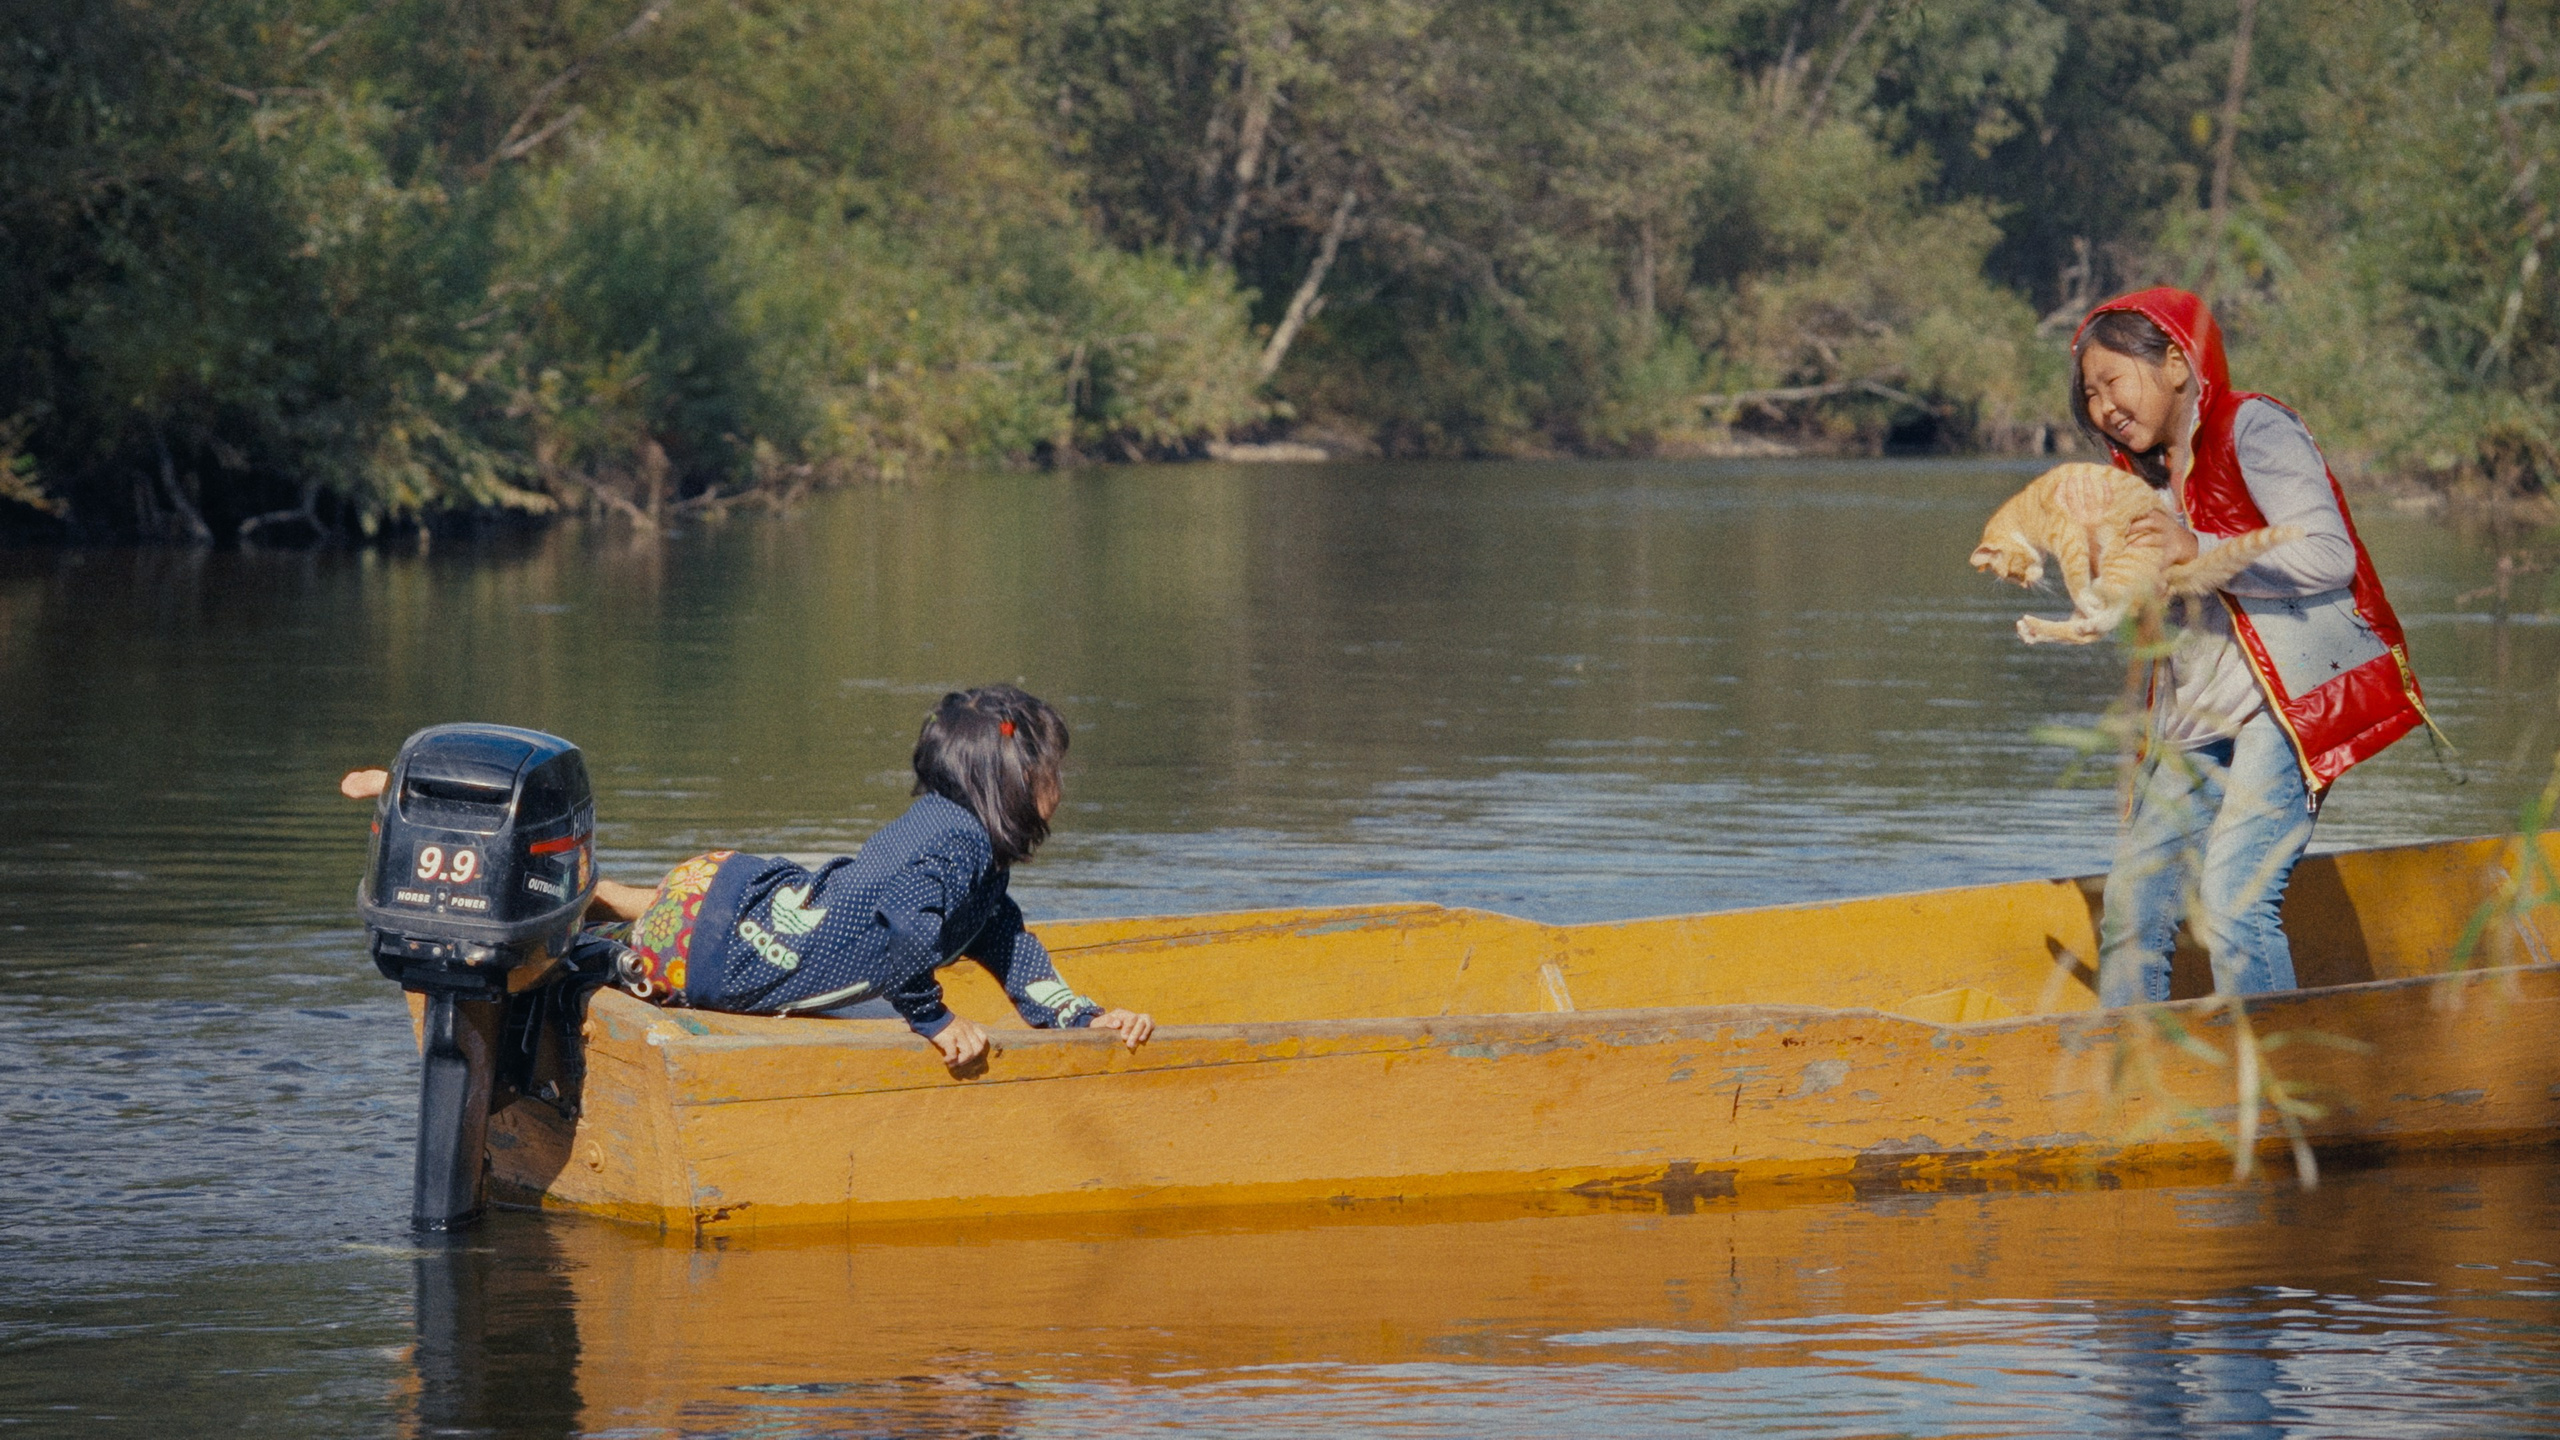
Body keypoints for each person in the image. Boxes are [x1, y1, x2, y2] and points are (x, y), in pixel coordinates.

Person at [345, 685, 1152, 1074]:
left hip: (735, 896)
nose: (1061, 787)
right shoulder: (955, 852)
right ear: (1006, 780)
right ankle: (576, 912)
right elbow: (909, 938)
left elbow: (1013, 954)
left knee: (667, 911)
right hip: (721, 953)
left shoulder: (961, 848)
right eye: (1053, 770)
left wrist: (1084, 1020)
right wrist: (935, 1023)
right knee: (631, 952)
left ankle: (595, 891)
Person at [2067, 288, 2433, 1007]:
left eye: (2113, 382)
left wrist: (2195, 547)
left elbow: (2330, 555)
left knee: (2235, 900)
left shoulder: (2253, 429)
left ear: (2176, 363)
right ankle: (2127, 1089)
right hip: (2195, 721)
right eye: (2090, 396)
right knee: (2132, 912)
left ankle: (2274, 1087)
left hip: (2283, 706)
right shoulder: (2136, 482)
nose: (2104, 406)